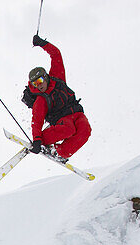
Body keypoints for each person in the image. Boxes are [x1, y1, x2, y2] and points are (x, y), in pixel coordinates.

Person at [22, 34, 91, 162]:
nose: (39, 85)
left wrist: (42, 43)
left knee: (85, 130)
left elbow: (56, 54)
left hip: (75, 112)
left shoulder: (57, 78)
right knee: (68, 129)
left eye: (40, 80)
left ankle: (61, 152)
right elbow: (37, 120)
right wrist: (37, 140)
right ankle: (50, 145)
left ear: (46, 77)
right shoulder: (41, 100)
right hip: (61, 119)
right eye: (35, 84)